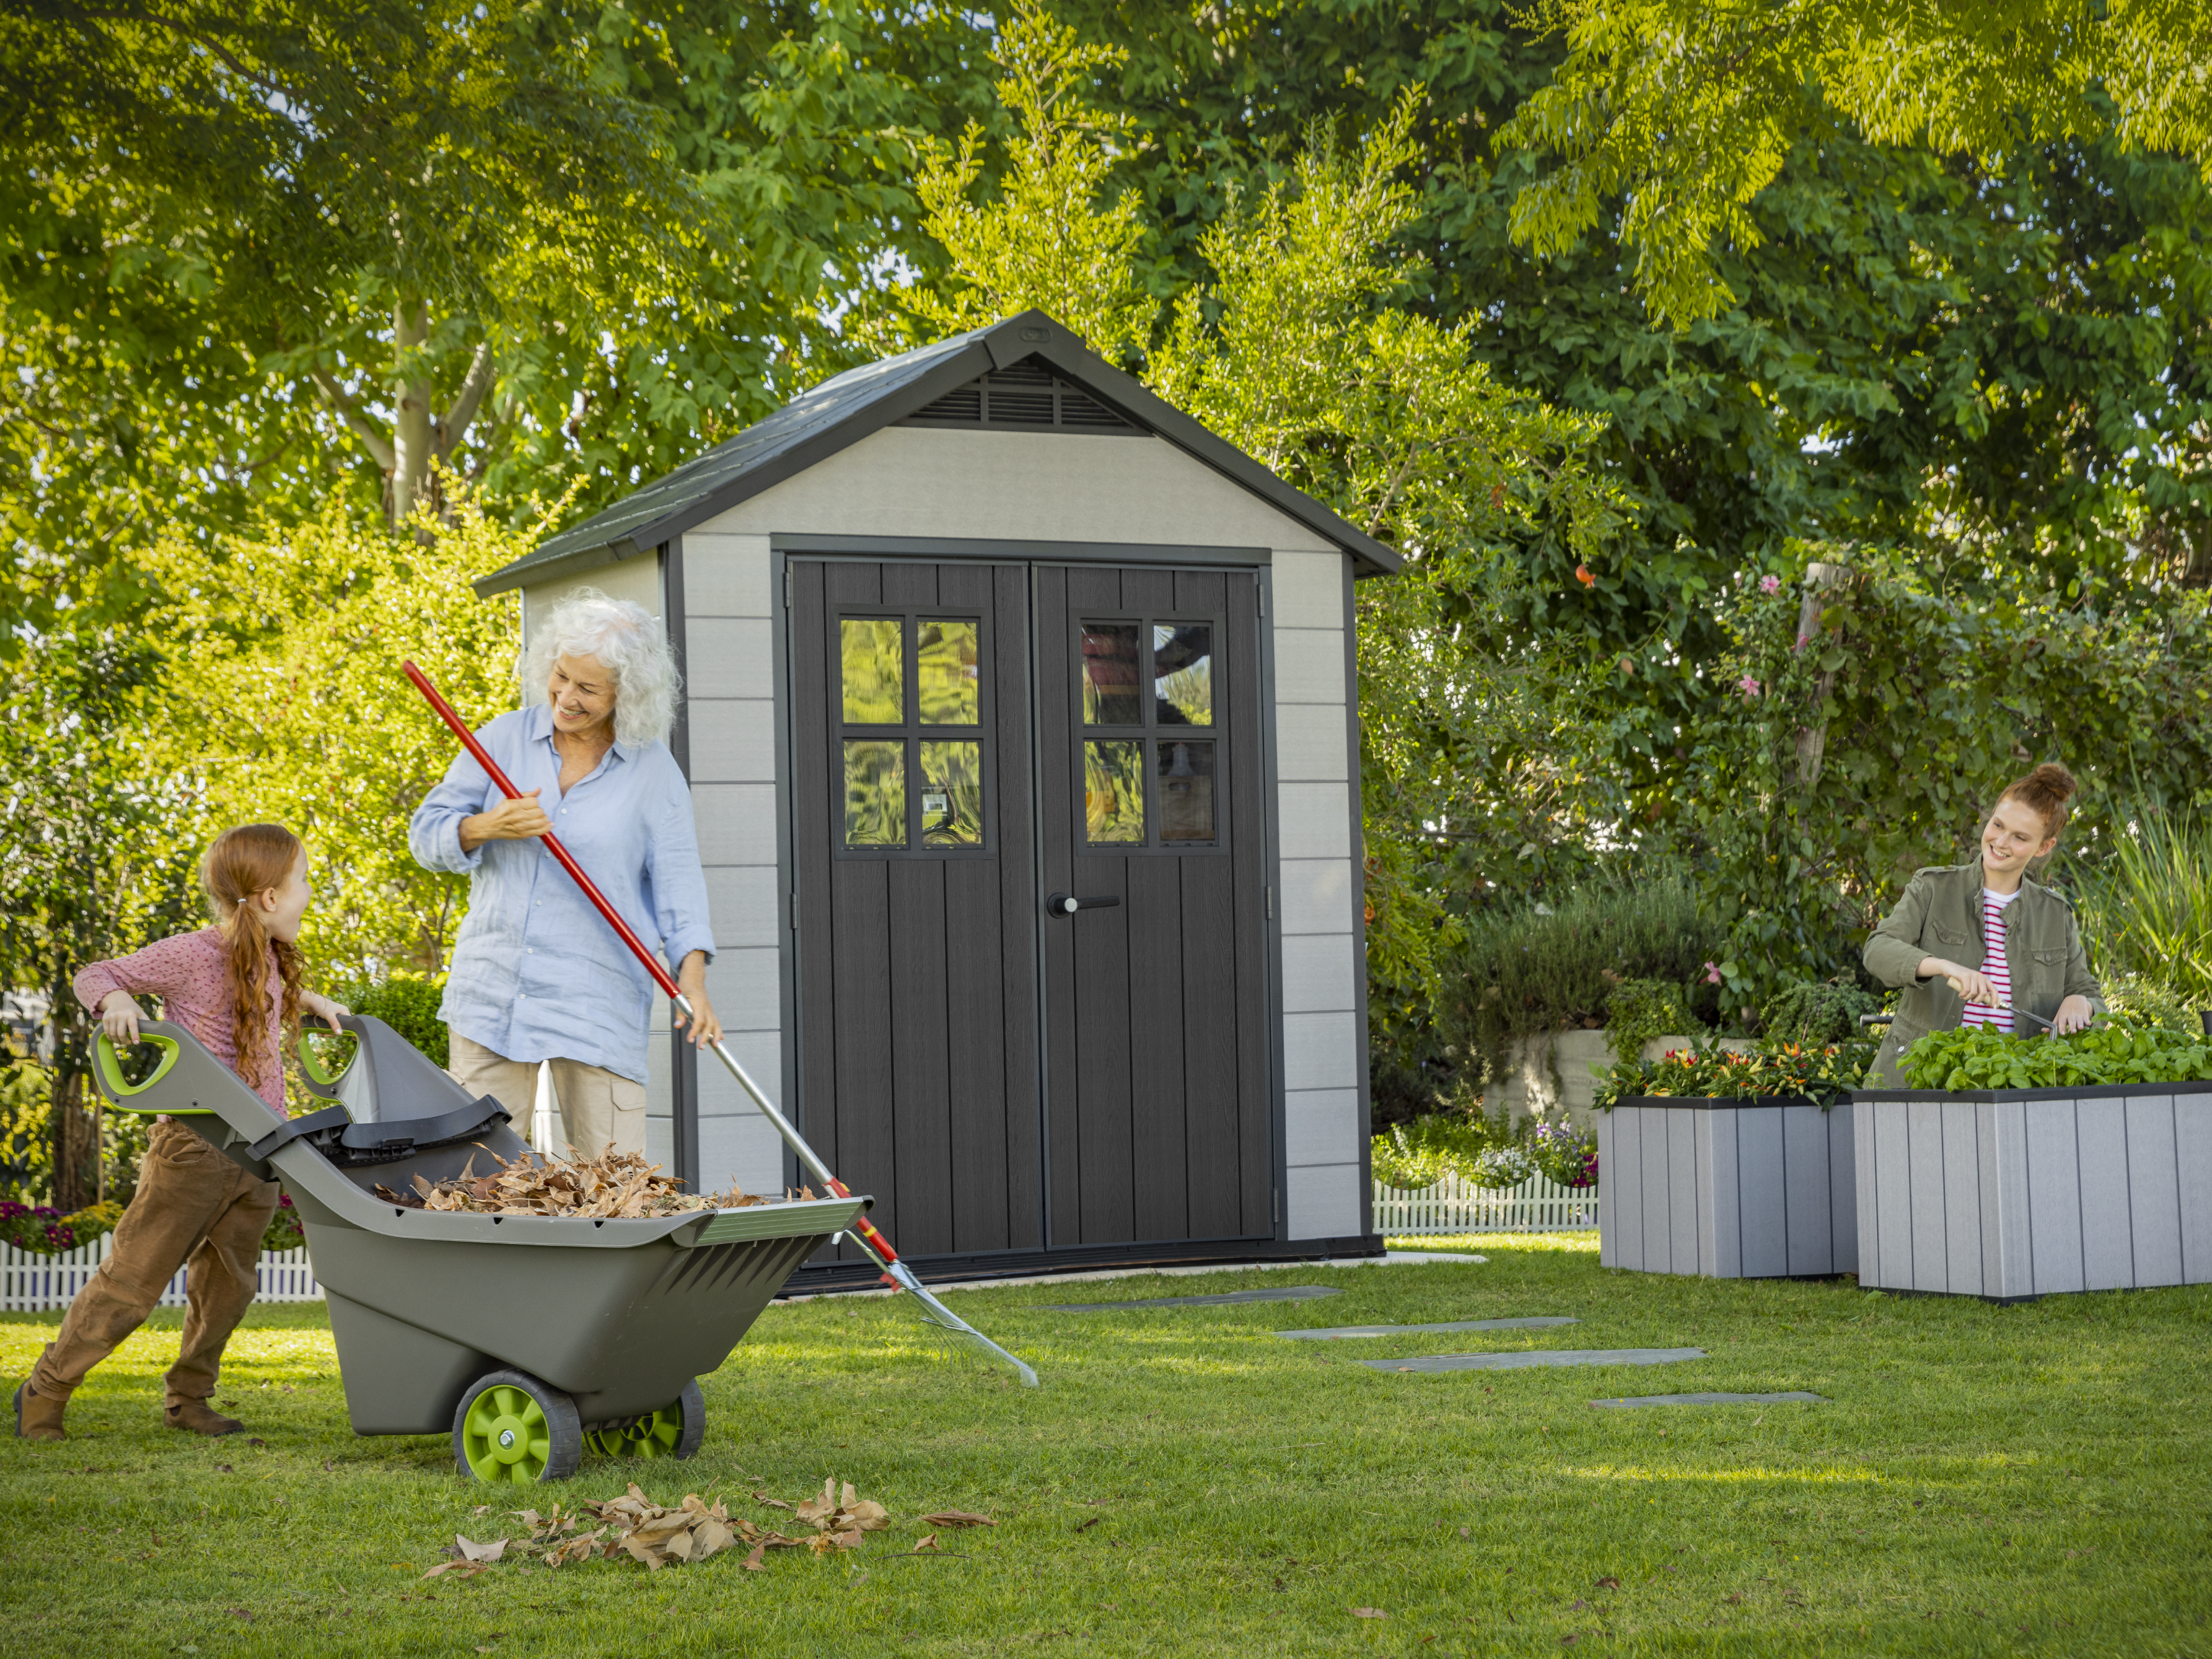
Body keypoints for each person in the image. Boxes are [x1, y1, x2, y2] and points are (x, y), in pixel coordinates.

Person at [13, 824, 351, 1442]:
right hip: (194, 1150)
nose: (310, 893)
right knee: (132, 1284)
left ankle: (188, 1399)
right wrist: (115, 1001)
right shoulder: (192, 953)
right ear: (270, 896)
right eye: (304, 881)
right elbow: (96, 972)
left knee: (229, 1288)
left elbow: (260, 998)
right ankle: (46, 1389)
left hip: (257, 1151)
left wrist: (315, 1002)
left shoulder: (268, 955)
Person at [410, 588, 721, 1161]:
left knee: (610, 1182)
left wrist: (693, 983)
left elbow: (681, 888)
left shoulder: (653, 772)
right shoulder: (502, 739)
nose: (566, 697)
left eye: (588, 688)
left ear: (626, 694)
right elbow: (425, 835)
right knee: (478, 1181)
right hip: (495, 996)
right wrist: (485, 826)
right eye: (560, 676)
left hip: (596, 1000)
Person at [1861, 762, 2105, 1087]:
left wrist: (2081, 1003)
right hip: (1917, 1079)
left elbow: (2089, 994)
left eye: (2020, 837)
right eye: (1998, 825)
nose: (2001, 842)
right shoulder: (1933, 887)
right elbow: (1877, 950)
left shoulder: (2055, 915)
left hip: (2010, 1087)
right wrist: (1944, 966)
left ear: (2044, 847)